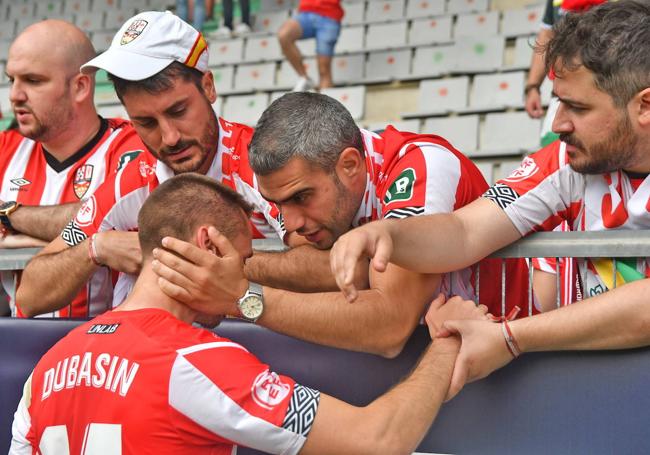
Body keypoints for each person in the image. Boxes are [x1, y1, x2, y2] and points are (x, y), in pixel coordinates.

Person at [10, 172, 483, 453]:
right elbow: (378, 440)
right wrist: (448, 344)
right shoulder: (196, 361)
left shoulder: (48, 366)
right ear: (208, 245)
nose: (246, 271)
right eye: (242, 256)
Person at [329, 0, 650, 388]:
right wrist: (386, 234)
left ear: (644, 105)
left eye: (576, 107)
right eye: (557, 102)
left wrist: (511, 339)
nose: (558, 122)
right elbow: (465, 232)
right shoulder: (565, 161)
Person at [149, 91, 528, 358]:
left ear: (350, 165)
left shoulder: (419, 165)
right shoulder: (307, 182)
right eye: (278, 204)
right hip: (445, 360)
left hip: (514, 360)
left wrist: (241, 296)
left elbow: (388, 326)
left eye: (301, 198)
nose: (291, 224)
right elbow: (311, 273)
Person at [16, 11, 285, 318]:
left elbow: (323, 264)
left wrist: (192, 261)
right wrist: (97, 248)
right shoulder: (131, 179)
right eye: (145, 122)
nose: (169, 138)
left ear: (208, 87)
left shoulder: (260, 162)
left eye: (178, 110)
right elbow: (28, 296)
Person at [1, 19, 146, 317]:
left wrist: (9, 216)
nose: (15, 95)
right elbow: (100, 222)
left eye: (33, 80)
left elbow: (124, 220)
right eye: (11, 79)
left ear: (80, 86)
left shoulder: (133, 146)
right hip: (16, 344)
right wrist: (91, 238)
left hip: (108, 346)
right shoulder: (6, 149)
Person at [277, 0, 343, 91]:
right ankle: (304, 78)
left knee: (324, 70)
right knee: (284, 35)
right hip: (305, 13)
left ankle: (324, 104)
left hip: (329, 15)